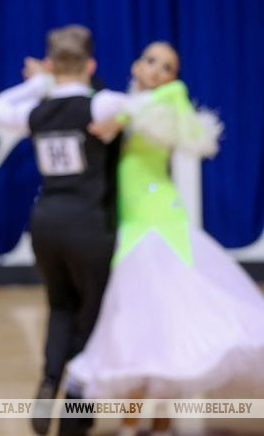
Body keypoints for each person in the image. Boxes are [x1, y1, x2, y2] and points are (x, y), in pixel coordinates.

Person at [69, 41, 264, 436]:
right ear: (136, 64)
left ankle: (157, 421)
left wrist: (120, 118)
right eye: (151, 61)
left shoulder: (167, 97)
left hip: (159, 220)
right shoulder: (132, 102)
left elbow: (139, 111)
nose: (158, 70)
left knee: (161, 317)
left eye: (167, 66)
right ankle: (138, 419)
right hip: (134, 220)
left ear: (174, 76)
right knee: (140, 320)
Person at [0, 24, 126, 436]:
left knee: (60, 306)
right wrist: (119, 118)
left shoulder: (37, 112)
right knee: (90, 316)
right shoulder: (100, 106)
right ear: (91, 64)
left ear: (50, 64)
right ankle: (76, 415)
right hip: (90, 224)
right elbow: (138, 106)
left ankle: (49, 380)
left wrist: (38, 85)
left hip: (45, 222)